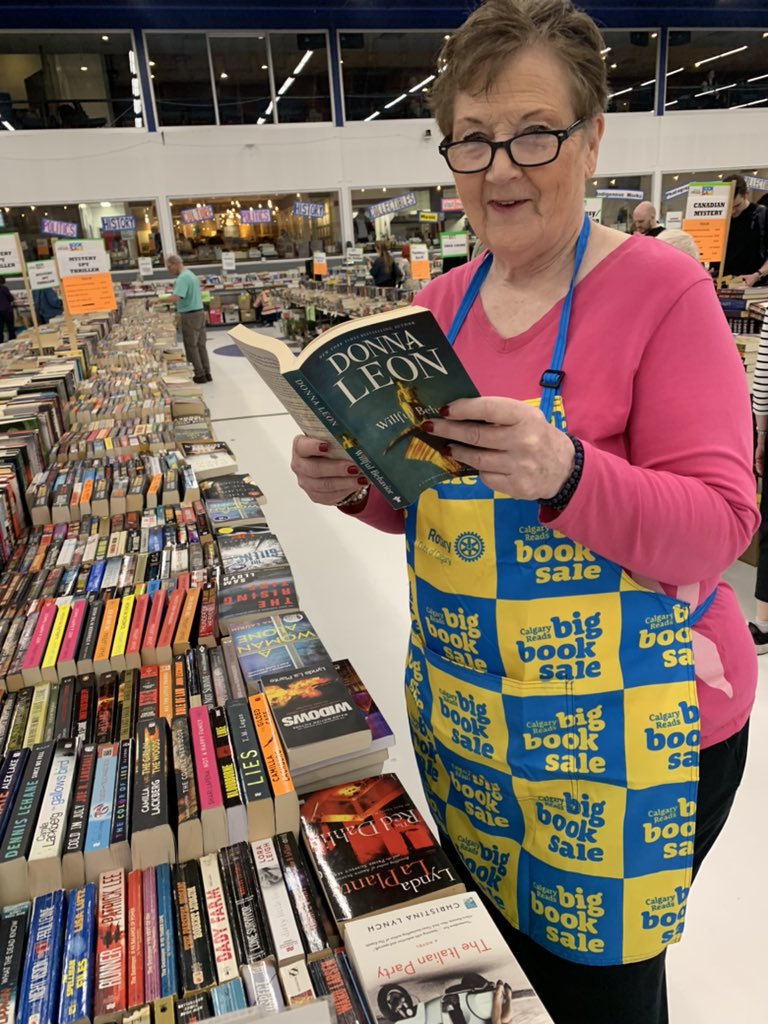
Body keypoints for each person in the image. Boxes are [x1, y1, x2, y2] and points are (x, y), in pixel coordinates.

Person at [290, 2, 758, 1021]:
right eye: (472, 139)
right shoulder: (441, 301)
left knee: (598, 994)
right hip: (473, 722)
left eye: (535, 133)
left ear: (593, 140)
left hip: (635, 734)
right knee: (496, 982)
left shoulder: (663, 291)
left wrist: (568, 471)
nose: (500, 169)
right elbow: (436, 505)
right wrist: (358, 486)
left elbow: (722, 523)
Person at [161, 255, 211, 383]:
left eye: (169, 266)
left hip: (189, 315)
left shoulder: (182, 278)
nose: (168, 269)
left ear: (175, 264)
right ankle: (206, 372)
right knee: (201, 345)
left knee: (191, 346)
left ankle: (198, 375)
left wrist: (157, 300)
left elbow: (176, 297)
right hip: (199, 312)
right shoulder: (191, 275)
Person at [722, 174, 768, 284]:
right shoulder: (720, 217)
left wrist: (757, 274)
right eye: (728, 206)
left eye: (736, 206)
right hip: (723, 285)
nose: (732, 212)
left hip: (754, 286)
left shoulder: (762, 215)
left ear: (746, 194)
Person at [0, 276, 16, 341]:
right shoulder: (4, 288)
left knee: (0, 328)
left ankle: (0, 342)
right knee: (10, 326)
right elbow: (11, 298)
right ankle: (12, 340)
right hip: (6, 310)